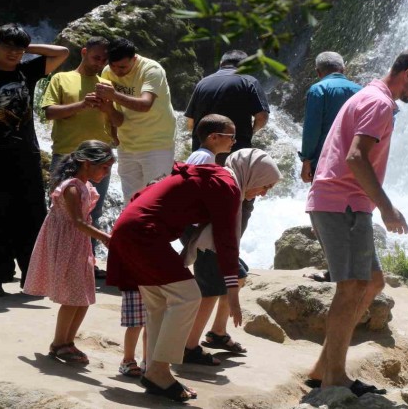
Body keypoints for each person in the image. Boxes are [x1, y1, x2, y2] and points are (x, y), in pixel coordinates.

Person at [305, 48, 408, 395]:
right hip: (344, 203)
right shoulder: (379, 103)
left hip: (342, 202)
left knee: (373, 282)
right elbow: (355, 157)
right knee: (351, 287)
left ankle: (324, 366)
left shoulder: (369, 95)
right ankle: (335, 376)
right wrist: (387, 208)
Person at [106, 148, 281, 403]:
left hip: (128, 228)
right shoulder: (227, 185)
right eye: (266, 185)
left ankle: (154, 370)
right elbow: (226, 240)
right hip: (144, 233)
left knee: (159, 304)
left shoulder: (217, 178)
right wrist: (233, 294)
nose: (264, 192)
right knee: (188, 296)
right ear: (253, 174)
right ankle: (159, 371)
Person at [0, 24, 69, 296]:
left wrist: (24, 47)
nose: (14, 53)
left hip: (26, 158)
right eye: (8, 47)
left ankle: (32, 279)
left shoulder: (26, 71)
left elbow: (62, 52)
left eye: (19, 49)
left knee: (31, 217)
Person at [23, 140, 115, 364]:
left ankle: (68, 342)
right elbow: (76, 222)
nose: (107, 172)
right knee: (73, 297)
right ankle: (58, 343)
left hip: (79, 243)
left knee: (83, 297)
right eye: (104, 167)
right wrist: (103, 237)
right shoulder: (72, 187)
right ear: (86, 163)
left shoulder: (84, 185)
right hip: (69, 244)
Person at [41, 36, 122, 279]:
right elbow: (49, 112)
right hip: (67, 155)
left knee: (94, 212)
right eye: (97, 57)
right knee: (59, 210)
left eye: (104, 60)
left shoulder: (106, 85)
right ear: (84, 52)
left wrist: (108, 107)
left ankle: (88, 262)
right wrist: (81, 106)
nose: (100, 63)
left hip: (100, 160)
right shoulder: (61, 78)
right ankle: (54, 263)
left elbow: (118, 122)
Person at [184, 50, 270, 249]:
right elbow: (262, 117)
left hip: (205, 155)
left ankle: (203, 250)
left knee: (205, 204)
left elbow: (190, 122)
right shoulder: (248, 80)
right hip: (236, 157)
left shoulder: (203, 83)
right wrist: (247, 134)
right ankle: (228, 252)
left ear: (222, 64)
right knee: (242, 202)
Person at [181, 115, 249, 365]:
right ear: (214, 137)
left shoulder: (208, 157)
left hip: (200, 230)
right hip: (200, 232)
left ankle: (217, 332)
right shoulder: (203, 158)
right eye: (231, 136)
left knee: (238, 275)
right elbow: (190, 191)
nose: (234, 140)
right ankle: (190, 346)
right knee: (209, 289)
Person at [97, 38, 177, 203]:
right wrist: (114, 136)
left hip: (157, 145)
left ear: (134, 59)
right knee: (130, 201)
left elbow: (145, 104)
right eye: (113, 66)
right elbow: (111, 110)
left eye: (123, 67)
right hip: (126, 146)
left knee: (156, 201)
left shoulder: (152, 70)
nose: (117, 72)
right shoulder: (107, 72)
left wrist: (114, 94)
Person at [299, 51, 362, 183]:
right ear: (343, 69)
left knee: (326, 201)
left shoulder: (318, 90)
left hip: (326, 162)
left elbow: (312, 130)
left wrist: (306, 160)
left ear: (318, 72)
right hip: (356, 162)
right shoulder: (361, 91)